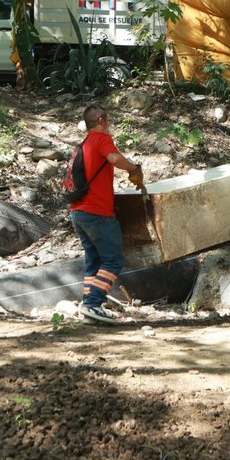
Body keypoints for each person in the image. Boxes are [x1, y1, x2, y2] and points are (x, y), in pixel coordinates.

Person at [69, 104, 142, 323]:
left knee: (94, 261)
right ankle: (93, 303)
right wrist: (133, 168)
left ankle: (88, 306)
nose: (109, 125)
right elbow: (114, 158)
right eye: (107, 121)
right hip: (97, 212)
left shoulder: (83, 145)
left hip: (78, 212)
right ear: (101, 121)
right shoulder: (101, 139)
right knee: (113, 261)